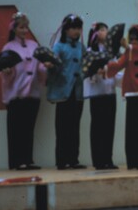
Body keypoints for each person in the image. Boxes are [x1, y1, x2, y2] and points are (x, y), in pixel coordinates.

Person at [101, 24, 138, 170]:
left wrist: (128, 47)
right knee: (132, 129)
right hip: (132, 93)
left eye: (135, 39)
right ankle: (133, 161)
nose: (132, 42)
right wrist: (105, 69)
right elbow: (118, 65)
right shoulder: (129, 52)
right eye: (131, 39)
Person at [0, 12, 46, 170]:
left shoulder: (34, 45)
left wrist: (45, 67)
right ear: (14, 29)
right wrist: (7, 72)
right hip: (16, 94)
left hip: (32, 93)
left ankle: (28, 159)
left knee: (29, 128)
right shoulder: (8, 47)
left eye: (26, 27)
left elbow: (39, 66)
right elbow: (4, 70)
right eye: (21, 27)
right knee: (16, 129)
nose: (24, 30)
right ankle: (17, 161)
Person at [46, 14, 87, 170]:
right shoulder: (59, 46)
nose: (76, 31)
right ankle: (62, 160)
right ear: (66, 29)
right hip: (64, 91)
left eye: (78, 28)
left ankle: (73, 159)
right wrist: (51, 66)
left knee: (75, 127)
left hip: (77, 91)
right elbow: (53, 66)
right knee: (63, 127)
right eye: (73, 28)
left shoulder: (81, 47)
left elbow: (85, 65)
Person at [83, 22, 121, 170]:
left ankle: (108, 159)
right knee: (98, 126)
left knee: (109, 126)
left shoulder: (112, 51)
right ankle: (98, 160)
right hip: (96, 93)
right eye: (102, 30)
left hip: (110, 91)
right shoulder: (89, 51)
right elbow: (86, 71)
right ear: (95, 33)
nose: (105, 32)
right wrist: (94, 73)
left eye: (106, 29)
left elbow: (117, 69)